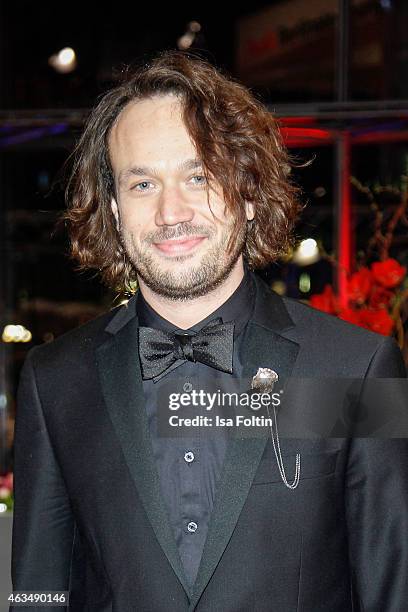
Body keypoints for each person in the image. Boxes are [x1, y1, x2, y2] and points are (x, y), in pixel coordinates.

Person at [11, 51, 408, 612]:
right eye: (142, 183)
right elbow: (38, 593)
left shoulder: (355, 371)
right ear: (116, 211)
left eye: (199, 175)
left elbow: (393, 589)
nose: (172, 212)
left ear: (247, 193)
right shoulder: (56, 384)